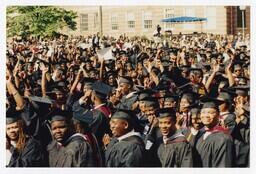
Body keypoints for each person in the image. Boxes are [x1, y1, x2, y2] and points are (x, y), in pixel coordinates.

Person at [195, 98, 235, 167]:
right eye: (203, 112)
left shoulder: (223, 138)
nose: (206, 115)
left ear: (218, 115)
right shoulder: (199, 135)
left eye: (211, 113)